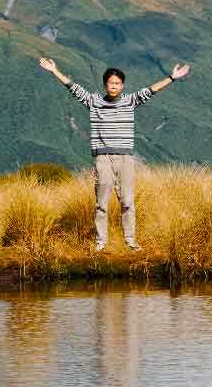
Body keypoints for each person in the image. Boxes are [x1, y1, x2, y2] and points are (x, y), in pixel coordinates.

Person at [36, 55, 191, 252]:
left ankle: (130, 241)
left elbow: (151, 90)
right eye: (111, 83)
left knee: (127, 201)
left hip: (125, 158)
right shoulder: (93, 101)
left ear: (123, 85)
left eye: (118, 83)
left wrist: (172, 77)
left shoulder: (130, 101)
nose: (114, 86)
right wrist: (55, 71)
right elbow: (74, 88)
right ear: (105, 84)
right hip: (103, 157)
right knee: (101, 201)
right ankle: (101, 242)